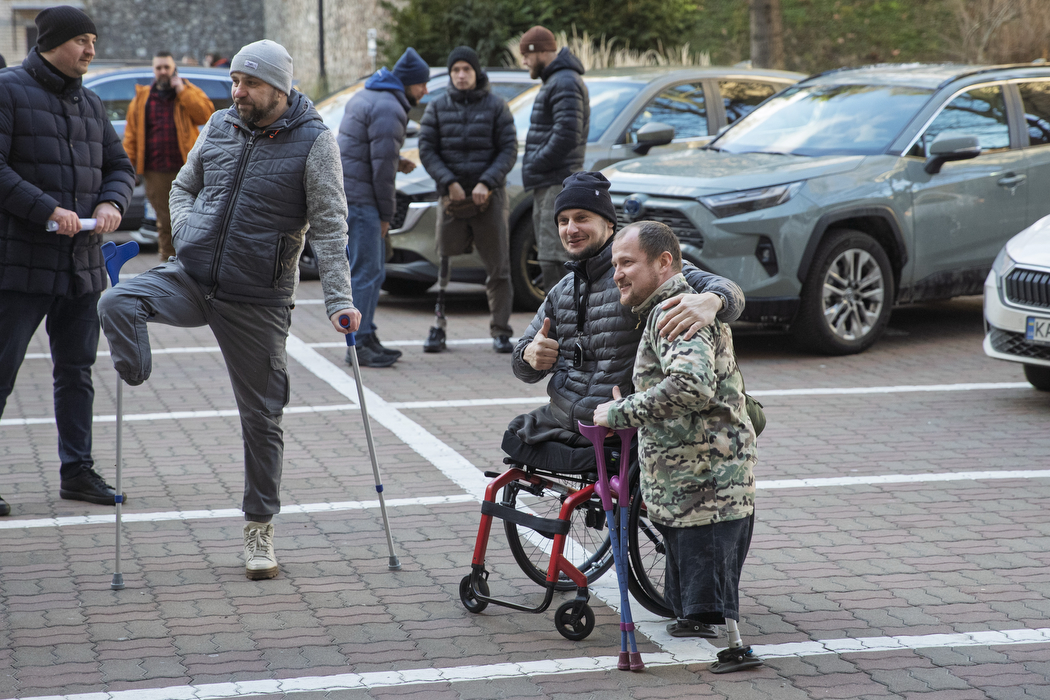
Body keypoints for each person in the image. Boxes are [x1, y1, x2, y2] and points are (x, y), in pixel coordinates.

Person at [97, 40, 359, 580]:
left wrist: (339, 300)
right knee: (117, 298)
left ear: (278, 88)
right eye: (235, 81)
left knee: (262, 418)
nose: (236, 92)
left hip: (257, 298)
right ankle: (135, 368)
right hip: (192, 277)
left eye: (248, 83)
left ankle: (259, 528)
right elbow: (184, 188)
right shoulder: (219, 126)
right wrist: (190, 229)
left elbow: (331, 226)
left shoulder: (314, 143)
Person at [593, 220, 762, 674]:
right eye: (614, 264)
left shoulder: (675, 314)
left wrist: (619, 413)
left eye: (627, 263)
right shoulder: (670, 308)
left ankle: (734, 647)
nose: (617, 274)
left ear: (663, 262)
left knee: (711, 570)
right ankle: (702, 623)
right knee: (698, 566)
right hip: (696, 481)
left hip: (705, 485)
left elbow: (691, 386)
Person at [0, 6, 135, 517]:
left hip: (81, 264)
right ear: (52, 41)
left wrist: (111, 203)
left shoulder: (92, 103)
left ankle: (78, 471)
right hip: (18, 263)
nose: (91, 50)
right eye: (82, 40)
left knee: (76, 372)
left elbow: (119, 166)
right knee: (1, 371)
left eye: (94, 41)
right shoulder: (7, 90)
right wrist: (45, 211)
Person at [510, 171, 744, 447]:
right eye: (563, 221)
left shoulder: (642, 269)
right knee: (514, 436)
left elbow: (731, 293)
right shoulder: (562, 289)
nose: (571, 229)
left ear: (609, 222)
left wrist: (714, 300)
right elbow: (522, 365)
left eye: (582, 218)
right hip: (564, 418)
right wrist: (529, 356)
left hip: (619, 427)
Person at [418, 46, 517, 354]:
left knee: (499, 267)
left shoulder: (497, 106)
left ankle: (501, 330)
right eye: (455, 70)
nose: (461, 75)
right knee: (443, 262)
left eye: (466, 70)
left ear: (477, 73)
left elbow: (509, 149)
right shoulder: (436, 108)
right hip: (452, 199)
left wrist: (487, 182)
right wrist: (448, 182)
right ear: (450, 74)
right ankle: (438, 327)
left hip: (489, 197)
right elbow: (427, 149)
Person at [339, 47, 430, 367]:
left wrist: (397, 161)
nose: (425, 90)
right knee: (367, 273)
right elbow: (380, 171)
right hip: (363, 200)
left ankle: (368, 333)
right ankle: (359, 343)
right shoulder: (390, 107)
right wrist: (386, 216)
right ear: (407, 82)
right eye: (422, 83)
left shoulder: (372, 95)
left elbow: (373, 154)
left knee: (371, 272)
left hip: (352, 194)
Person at [123, 50, 215, 261]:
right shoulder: (142, 99)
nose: (163, 71)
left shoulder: (189, 91)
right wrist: (129, 168)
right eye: (159, 68)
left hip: (187, 168)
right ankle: (168, 264)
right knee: (165, 222)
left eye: (167, 67)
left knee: (193, 218)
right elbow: (131, 137)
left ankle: (193, 262)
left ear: (174, 69)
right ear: (154, 70)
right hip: (155, 171)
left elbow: (205, 115)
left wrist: (182, 91)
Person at [519, 25, 589, 293]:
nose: (524, 61)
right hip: (549, 179)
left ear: (539, 51)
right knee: (551, 256)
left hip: (554, 180)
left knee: (554, 258)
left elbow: (566, 134)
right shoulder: (557, 81)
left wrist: (535, 162)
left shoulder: (564, 81)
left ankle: (561, 328)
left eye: (526, 54)